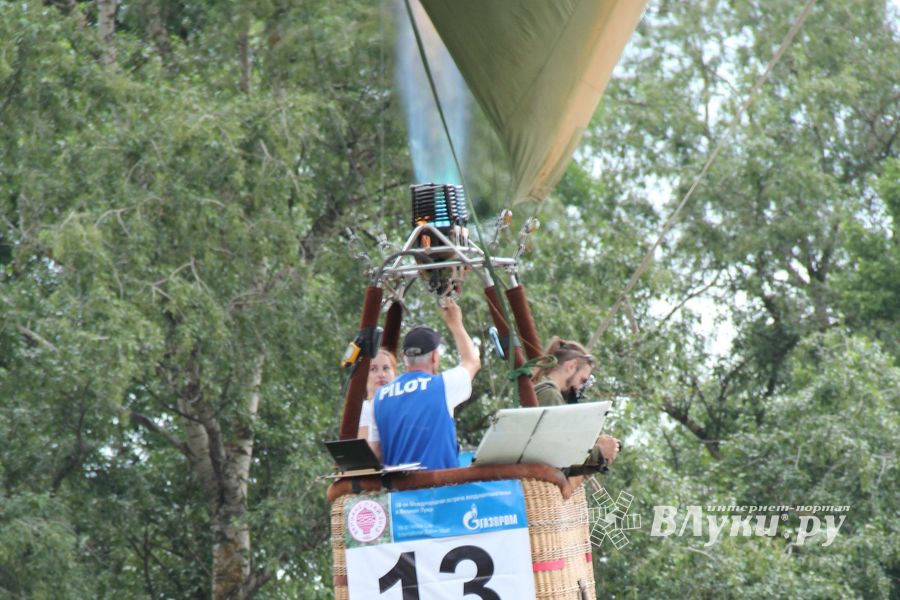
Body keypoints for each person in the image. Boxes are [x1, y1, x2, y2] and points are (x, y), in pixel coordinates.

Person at [368, 298, 480, 470]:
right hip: (442, 492)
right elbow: (472, 361)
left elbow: (376, 452)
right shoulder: (443, 385)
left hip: (399, 495)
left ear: (405, 360)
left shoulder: (379, 397)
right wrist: (455, 323)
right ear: (435, 357)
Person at [532, 337, 620, 469]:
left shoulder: (548, 392)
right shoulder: (549, 394)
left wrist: (597, 452)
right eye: (582, 380)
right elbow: (555, 455)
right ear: (571, 366)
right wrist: (598, 452)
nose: (579, 388)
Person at [357, 349, 398, 457]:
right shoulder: (364, 409)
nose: (381, 374)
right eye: (373, 369)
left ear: (395, 374)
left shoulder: (403, 406)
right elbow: (363, 454)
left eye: (386, 368)